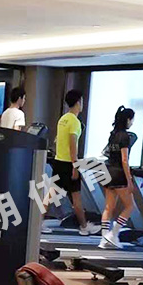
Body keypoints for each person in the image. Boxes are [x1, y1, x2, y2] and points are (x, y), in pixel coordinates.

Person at [50, 89, 100, 236]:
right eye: (82, 101)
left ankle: (37, 224)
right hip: (68, 164)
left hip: (58, 162)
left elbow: (57, 140)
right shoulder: (75, 122)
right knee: (76, 198)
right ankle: (84, 226)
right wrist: (75, 166)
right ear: (78, 102)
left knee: (51, 195)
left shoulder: (63, 119)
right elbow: (73, 145)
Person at [99, 106, 136, 248]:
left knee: (108, 207)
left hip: (108, 171)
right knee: (130, 206)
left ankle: (104, 239)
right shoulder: (125, 136)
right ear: (128, 120)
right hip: (119, 173)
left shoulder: (113, 134)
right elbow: (124, 159)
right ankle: (113, 233)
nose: (132, 123)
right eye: (132, 120)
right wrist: (129, 180)